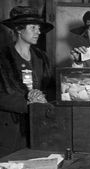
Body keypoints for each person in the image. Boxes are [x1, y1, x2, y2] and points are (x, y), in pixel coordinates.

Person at [0, 6, 54, 157]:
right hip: (10, 129)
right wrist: (27, 104)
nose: (38, 31)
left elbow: (51, 87)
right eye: (33, 27)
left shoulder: (42, 57)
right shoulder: (3, 58)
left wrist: (41, 99)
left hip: (39, 126)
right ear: (19, 29)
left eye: (38, 28)